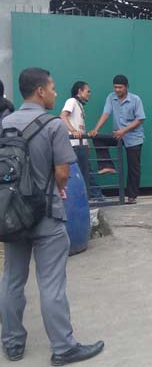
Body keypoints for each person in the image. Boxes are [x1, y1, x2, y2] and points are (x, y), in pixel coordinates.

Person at [1, 67, 104, 365]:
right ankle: (63, 348)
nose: (56, 93)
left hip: (11, 214)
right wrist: (58, 189)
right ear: (40, 91)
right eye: (53, 88)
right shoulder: (53, 126)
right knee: (51, 284)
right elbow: (62, 171)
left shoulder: (4, 123)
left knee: (11, 279)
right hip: (46, 214)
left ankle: (12, 343)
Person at [89, 75, 146, 204]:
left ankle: (132, 196)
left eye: (120, 87)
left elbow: (140, 119)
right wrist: (96, 129)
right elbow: (106, 113)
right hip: (118, 135)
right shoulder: (111, 97)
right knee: (97, 138)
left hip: (133, 137)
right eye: (115, 87)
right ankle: (107, 166)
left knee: (134, 168)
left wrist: (124, 131)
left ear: (126, 87)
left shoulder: (135, 99)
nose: (117, 90)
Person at [59, 81, 105, 201]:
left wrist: (86, 142)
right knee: (84, 172)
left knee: (87, 172)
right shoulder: (71, 102)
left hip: (81, 145)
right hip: (74, 145)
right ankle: (95, 196)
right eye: (87, 91)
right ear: (79, 91)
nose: (89, 94)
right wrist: (73, 130)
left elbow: (80, 125)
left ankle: (94, 195)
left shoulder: (79, 105)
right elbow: (62, 116)